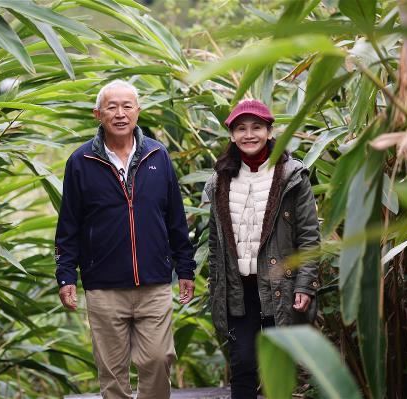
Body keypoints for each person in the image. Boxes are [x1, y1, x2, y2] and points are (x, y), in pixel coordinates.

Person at [55, 80, 196, 399]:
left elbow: (175, 217)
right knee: (112, 373)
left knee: (159, 359)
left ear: (138, 111)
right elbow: (69, 226)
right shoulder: (81, 162)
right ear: (98, 114)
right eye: (112, 107)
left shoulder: (158, 155)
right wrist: (66, 276)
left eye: (127, 106)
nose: (120, 114)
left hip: (155, 283)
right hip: (104, 286)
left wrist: (185, 268)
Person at [203, 99, 320, 398]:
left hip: (280, 286)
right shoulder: (220, 179)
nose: (249, 134)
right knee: (242, 364)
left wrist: (305, 285)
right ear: (231, 135)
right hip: (237, 290)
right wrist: (215, 289)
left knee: (282, 366)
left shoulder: (292, 176)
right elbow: (216, 243)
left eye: (257, 127)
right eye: (241, 128)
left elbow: (309, 237)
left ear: (270, 131)